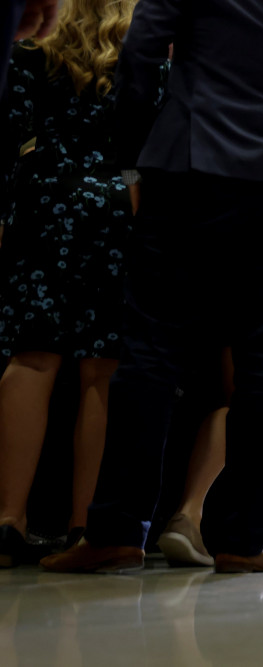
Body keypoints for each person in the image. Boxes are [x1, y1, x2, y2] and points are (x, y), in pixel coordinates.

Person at [41, 0, 263, 575]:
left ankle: (117, 532)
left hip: (188, 169)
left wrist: (132, 166)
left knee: (150, 353)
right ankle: (243, 540)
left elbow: (139, 57)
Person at [0, 0, 139, 567]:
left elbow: (10, 130)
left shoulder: (34, 41)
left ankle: (7, 518)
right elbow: (150, 141)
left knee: (32, 358)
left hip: (43, 199)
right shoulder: (141, 46)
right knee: (100, 371)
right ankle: (89, 526)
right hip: (114, 209)